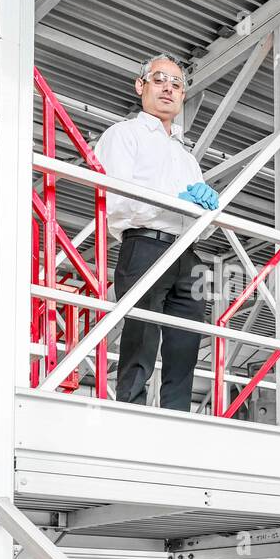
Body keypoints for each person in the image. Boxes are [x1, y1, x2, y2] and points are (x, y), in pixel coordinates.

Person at [94, 53, 219, 411]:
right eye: (160, 79)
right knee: (141, 340)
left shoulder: (187, 157)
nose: (169, 88)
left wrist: (207, 209)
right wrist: (173, 202)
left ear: (183, 96)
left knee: (185, 346)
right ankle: (130, 414)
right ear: (141, 85)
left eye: (177, 84)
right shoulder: (123, 135)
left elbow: (205, 229)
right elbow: (118, 202)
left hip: (188, 255)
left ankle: (176, 420)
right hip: (145, 244)